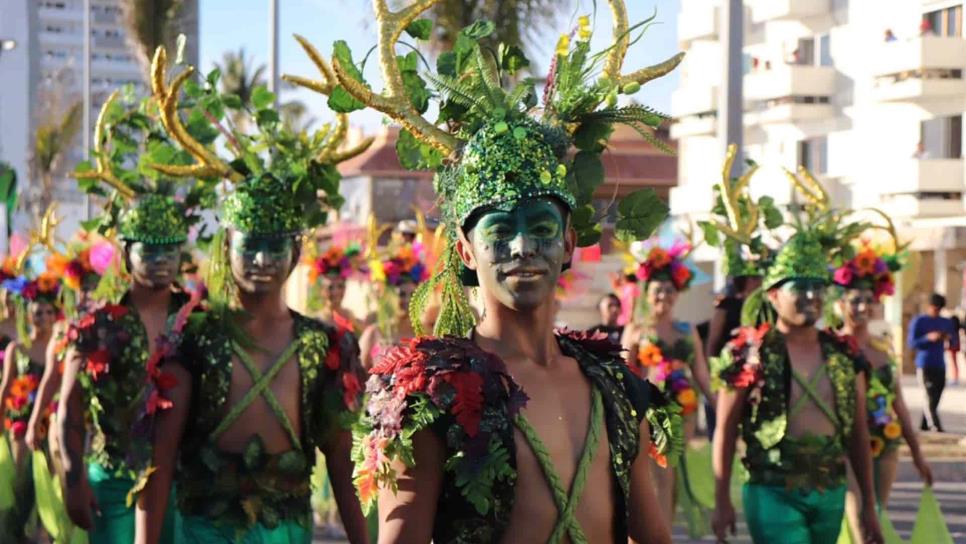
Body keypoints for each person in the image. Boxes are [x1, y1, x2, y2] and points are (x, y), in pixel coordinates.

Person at [285, 4, 684, 542]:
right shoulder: (429, 391)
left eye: (541, 226)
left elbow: (651, 534)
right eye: (499, 231)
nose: (523, 246)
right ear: (467, 253)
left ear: (569, 242)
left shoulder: (614, 383)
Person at [139, 45, 370, 543]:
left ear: (296, 251)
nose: (263, 261)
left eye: (274, 247)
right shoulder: (194, 340)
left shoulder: (325, 346)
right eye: (251, 247)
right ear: (227, 245)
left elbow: (342, 468)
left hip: (289, 531)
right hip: (203, 532)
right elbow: (159, 464)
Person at [59, 88, 210, 544]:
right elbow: (69, 410)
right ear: (126, 252)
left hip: (185, 484)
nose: (161, 260)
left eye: (171, 249)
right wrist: (71, 477)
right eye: (150, 250)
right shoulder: (95, 323)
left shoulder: (200, 320)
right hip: (110, 481)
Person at [712, 232, 883, 544]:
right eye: (799, 287)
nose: (811, 295)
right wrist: (721, 499)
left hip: (829, 489)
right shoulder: (748, 352)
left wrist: (869, 507)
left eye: (817, 286)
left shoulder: (844, 355)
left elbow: (858, 432)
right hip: (772, 488)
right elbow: (725, 428)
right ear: (773, 295)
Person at [833, 245, 933, 542]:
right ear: (840, 303)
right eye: (855, 300)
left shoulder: (882, 349)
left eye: (868, 300)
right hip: (846, 445)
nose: (862, 307)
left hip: (886, 442)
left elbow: (898, 404)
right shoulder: (830, 347)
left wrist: (917, 453)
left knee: (877, 517)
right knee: (860, 520)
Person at [622, 240, 714, 534]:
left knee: (669, 472)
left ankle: (662, 530)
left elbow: (701, 372)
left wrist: (721, 408)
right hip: (649, 409)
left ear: (677, 294)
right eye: (659, 290)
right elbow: (624, 373)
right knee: (658, 473)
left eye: (670, 290)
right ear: (648, 293)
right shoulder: (636, 330)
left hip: (683, 408)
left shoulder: (687, 331)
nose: (665, 295)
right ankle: (656, 533)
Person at [0, 265, 60, 543]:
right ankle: (16, 534)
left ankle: (44, 534)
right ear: (29, 315)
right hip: (21, 424)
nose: (44, 318)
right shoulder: (17, 348)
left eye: (49, 312)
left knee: (52, 482)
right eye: (38, 312)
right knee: (23, 482)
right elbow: (5, 387)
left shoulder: (60, 349)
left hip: (54, 423)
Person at [358, 243, 428, 369]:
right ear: (389, 296)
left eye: (412, 294)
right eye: (401, 294)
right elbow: (361, 376)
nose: (407, 300)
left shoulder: (426, 334)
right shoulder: (374, 333)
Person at [908, 292, 958, 432]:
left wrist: (947, 338)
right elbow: (911, 343)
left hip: (940, 364)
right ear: (929, 306)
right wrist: (927, 338)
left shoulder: (945, 322)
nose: (936, 312)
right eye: (934, 309)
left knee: (936, 397)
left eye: (939, 310)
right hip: (924, 364)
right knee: (928, 396)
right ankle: (935, 426)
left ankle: (924, 424)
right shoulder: (919, 321)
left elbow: (954, 342)